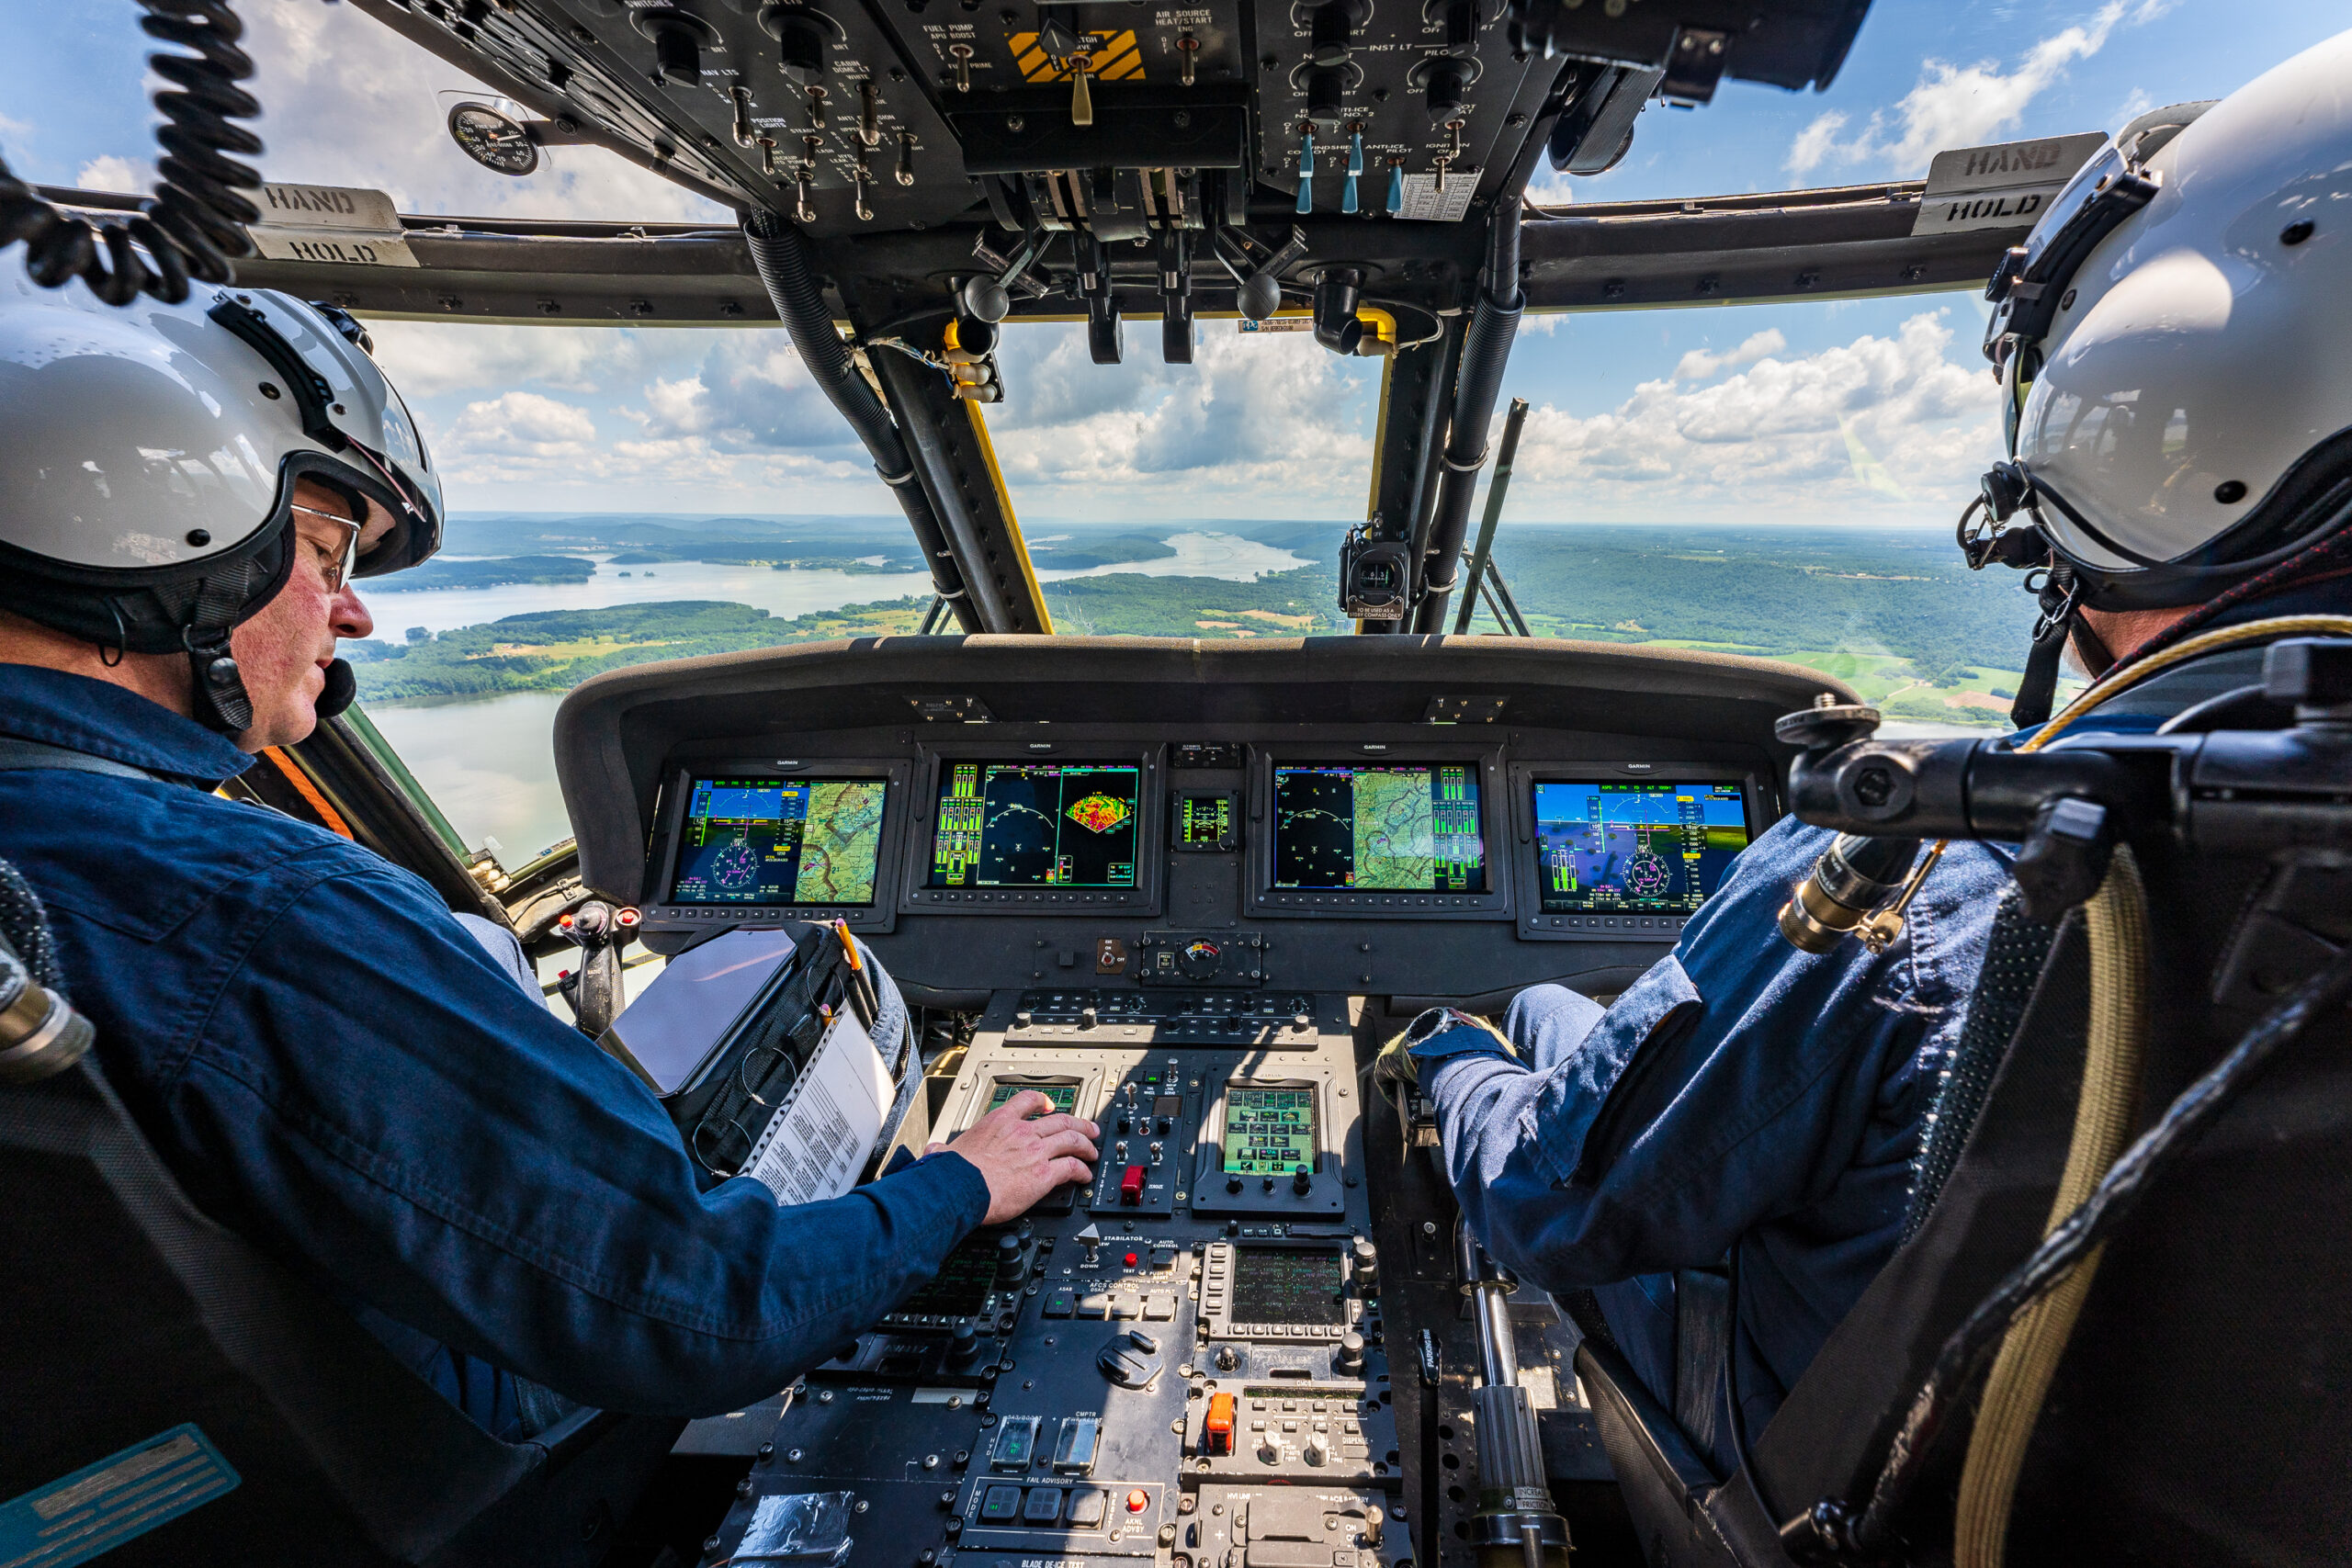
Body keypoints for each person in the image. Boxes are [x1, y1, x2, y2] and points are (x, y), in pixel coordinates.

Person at [1378, 29, 2352, 1477]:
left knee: (1519, 1016)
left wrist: (1446, 1062)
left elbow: (1557, 1204)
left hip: (1837, 1457)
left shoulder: (1948, 871)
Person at [0, 267, 1099, 1440]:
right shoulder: (265, 916)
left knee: (488, 945)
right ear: (177, 544)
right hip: (468, 1439)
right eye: (330, 555)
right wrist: (963, 1180)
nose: (352, 612)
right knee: (826, 976)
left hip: (225, 1446)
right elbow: (696, 1308)